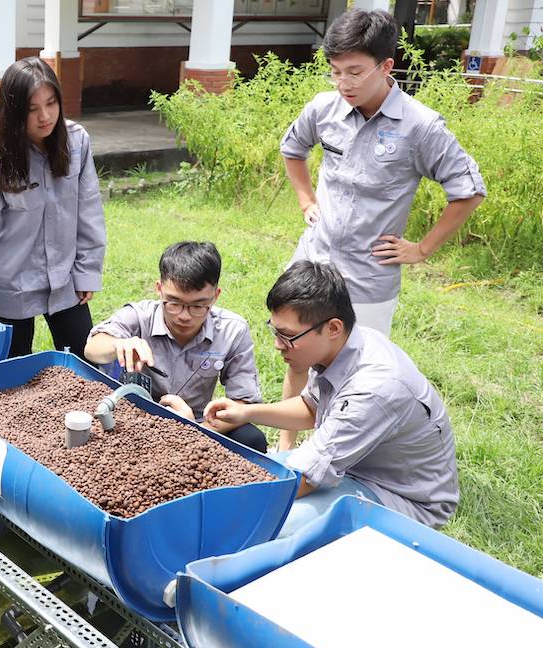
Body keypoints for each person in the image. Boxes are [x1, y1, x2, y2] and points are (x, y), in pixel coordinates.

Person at [277, 8, 485, 450]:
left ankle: (336, 450)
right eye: (335, 72)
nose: (344, 83)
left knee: (355, 369)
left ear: (386, 66)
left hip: (369, 274)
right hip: (315, 257)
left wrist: (422, 249)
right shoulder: (324, 108)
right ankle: (287, 443)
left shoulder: (420, 126)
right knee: (296, 349)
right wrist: (305, 199)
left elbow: (468, 190)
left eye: (354, 72)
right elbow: (293, 149)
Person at [206, 261, 458, 537]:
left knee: (265, 526)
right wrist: (248, 413)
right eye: (275, 331)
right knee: (246, 483)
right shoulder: (339, 347)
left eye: (287, 336)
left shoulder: (375, 388)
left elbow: (308, 477)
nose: (277, 344)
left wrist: (232, 506)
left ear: (333, 328)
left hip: (400, 497)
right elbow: (311, 408)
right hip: (349, 464)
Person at [0, 57, 106, 359]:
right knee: (15, 369)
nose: (45, 116)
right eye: (32, 109)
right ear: (14, 111)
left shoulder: (76, 142)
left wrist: (86, 272)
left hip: (65, 280)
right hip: (13, 283)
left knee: (85, 362)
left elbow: (89, 210)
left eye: (51, 103)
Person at [84, 241, 267, 453]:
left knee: (251, 438)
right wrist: (118, 344)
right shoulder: (139, 316)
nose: (184, 315)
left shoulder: (232, 330)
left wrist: (194, 431)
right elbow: (93, 347)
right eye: (173, 303)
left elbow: (242, 403)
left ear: (215, 296)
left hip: (199, 423)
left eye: (198, 306)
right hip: (132, 423)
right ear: (159, 290)